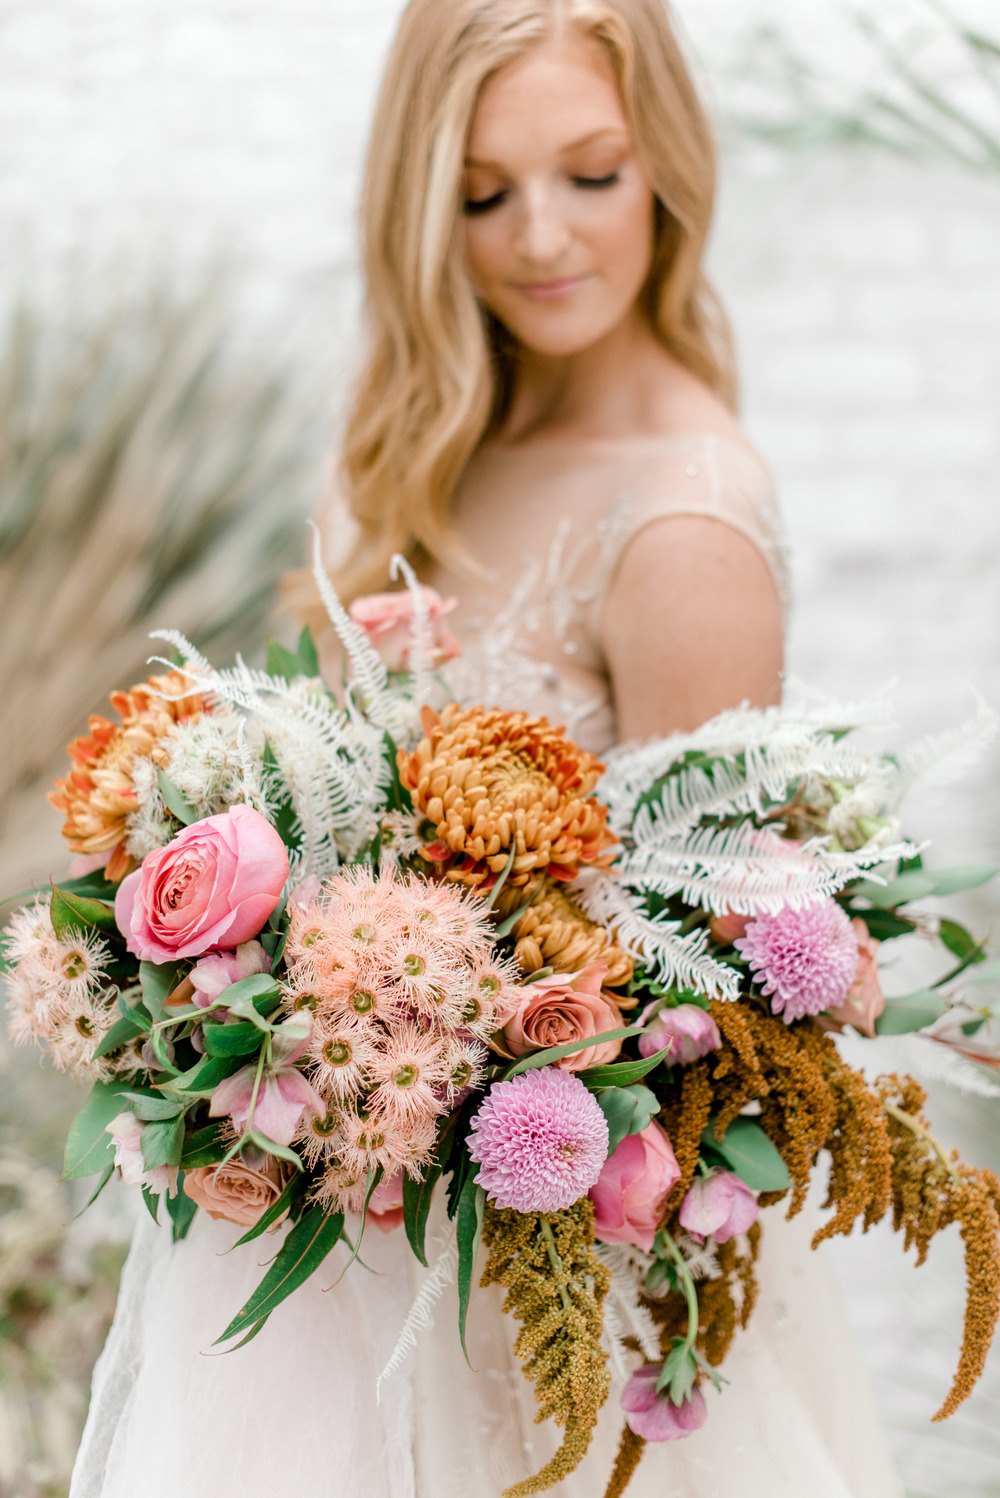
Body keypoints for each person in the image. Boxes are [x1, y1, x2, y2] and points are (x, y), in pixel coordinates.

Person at [70, 2, 905, 1494]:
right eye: (480, 191)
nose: (539, 238)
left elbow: (701, 1027)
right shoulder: (411, 447)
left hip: (542, 1296)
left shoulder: (682, 521)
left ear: (668, 167)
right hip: (352, 1247)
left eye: (591, 174)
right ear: (421, 200)